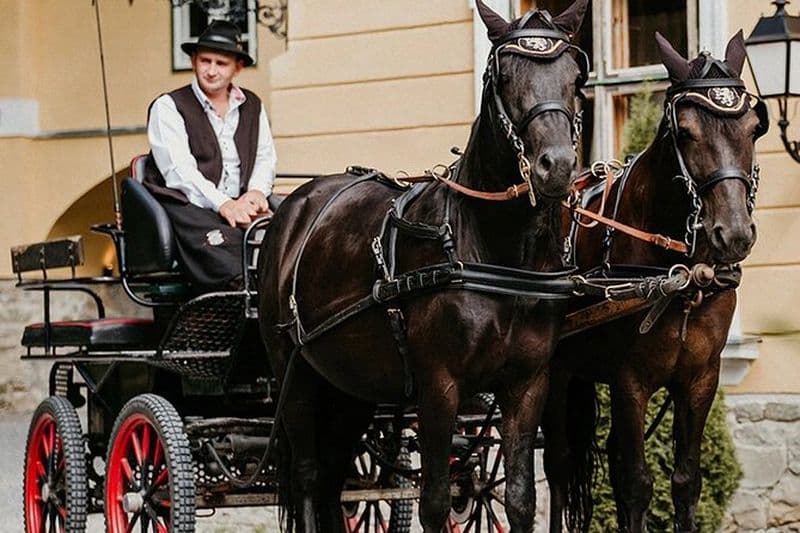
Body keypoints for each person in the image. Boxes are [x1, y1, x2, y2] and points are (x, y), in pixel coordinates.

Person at [142, 20, 276, 291]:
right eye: (205, 61)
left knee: (293, 232)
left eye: (221, 63)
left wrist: (257, 193)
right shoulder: (168, 106)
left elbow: (264, 157)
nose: (211, 71)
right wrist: (225, 204)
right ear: (193, 61)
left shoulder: (252, 105)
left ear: (237, 67)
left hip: (241, 203)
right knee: (229, 252)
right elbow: (179, 171)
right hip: (188, 205)